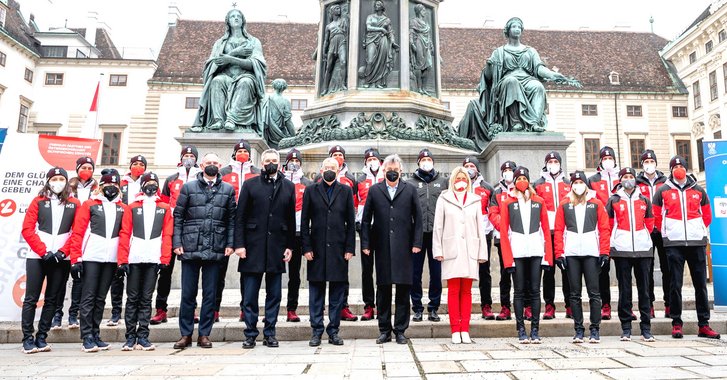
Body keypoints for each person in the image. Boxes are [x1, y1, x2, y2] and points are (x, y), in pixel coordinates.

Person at [172, 153, 236, 350]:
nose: (212, 166)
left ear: (221, 165)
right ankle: (185, 334)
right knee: (188, 294)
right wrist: (177, 242)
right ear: (202, 165)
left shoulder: (228, 189)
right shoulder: (188, 187)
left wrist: (230, 243)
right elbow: (178, 216)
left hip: (216, 246)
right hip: (190, 245)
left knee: (210, 294)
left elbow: (231, 220)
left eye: (215, 163)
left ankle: (205, 334)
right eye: (208, 163)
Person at [652, 156, 720, 339]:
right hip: (674, 243)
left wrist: (698, 230)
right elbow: (656, 215)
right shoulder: (663, 191)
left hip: (696, 242)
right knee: (675, 284)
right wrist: (666, 233)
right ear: (671, 170)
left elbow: (707, 214)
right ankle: (676, 323)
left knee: (700, 285)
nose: (678, 169)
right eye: (675, 166)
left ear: (686, 168)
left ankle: (704, 324)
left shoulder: (698, 190)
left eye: (681, 166)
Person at [235, 149, 296, 349]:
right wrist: (239, 244)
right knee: (250, 295)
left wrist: (289, 246)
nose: (271, 163)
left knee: (275, 294)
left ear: (280, 164)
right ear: (262, 163)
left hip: (277, 247)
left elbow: (290, 218)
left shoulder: (288, 186)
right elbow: (240, 217)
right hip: (252, 247)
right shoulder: (250, 184)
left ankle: (270, 332)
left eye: (274, 160)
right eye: (267, 160)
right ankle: (250, 333)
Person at [361, 154, 423, 345]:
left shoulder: (410, 190)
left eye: (395, 170)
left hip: (404, 247)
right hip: (382, 246)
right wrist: (365, 244)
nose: (392, 173)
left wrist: (417, 242)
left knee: (403, 290)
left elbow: (418, 219)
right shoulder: (374, 190)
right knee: (384, 289)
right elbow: (365, 220)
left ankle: (401, 330)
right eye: (389, 170)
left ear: (401, 171)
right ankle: (384, 330)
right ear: (384, 171)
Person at [480, 17, 580, 133]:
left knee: (538, 87)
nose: (517, 29)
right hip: (507, 81)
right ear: (508, 30)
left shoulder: (530, 51)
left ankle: (534, 123)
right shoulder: (499, 52)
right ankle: (516, 122)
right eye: (514, 27)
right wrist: (488, 66)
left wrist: (553, 75)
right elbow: (488, 77)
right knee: (512, 82)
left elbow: (539, 68)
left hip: (527, 79)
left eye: (519, 27)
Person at [21, 167, 80, 353]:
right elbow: (27, 229)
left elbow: (77, 232)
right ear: (48, 181)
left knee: (52, 299)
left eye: (61, 178)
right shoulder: (38, 201)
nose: (58, 182)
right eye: (54, 178)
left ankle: (41, 337)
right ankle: (27, 338)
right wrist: (43, 251)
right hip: (37, 257)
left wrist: (63, 252)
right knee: (31, 298)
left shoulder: (74, 203)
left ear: (66, 181)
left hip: (61, 259)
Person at [70, 169, 128, 353]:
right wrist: (76, 258)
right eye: (107, 184)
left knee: (101, 298)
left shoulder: (123, 207)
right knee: (88, 297)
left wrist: (121, 261)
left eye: (114, 184)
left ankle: (96, 333)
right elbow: (78, 232)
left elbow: (124, 235)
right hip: (91, 256)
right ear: (101, 186)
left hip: (110, 259)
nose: (111, 187)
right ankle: (86, 335)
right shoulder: (89, 204)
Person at [301, 157, 356, 346]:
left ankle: (334, 330)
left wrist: (350, 248)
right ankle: (316, 330)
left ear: (339, 169)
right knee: (316, 293)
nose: (329, 170)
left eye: (333, 167)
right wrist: (306, 247)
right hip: (316, 250)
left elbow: (351, 222)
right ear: (321, 169)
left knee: (336, 294)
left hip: (339, 250)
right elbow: (304, 221)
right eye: (326, 168)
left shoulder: (346, 191)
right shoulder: (310, 190)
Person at [117, 172, 173, 351]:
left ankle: (143, 335)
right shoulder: (132, 207)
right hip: (134, 258)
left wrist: (165, 258)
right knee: (132, 297)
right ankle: (129, 336)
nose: (151, 186)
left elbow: (167, 235)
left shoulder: (164, 207)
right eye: (147, 182)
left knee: (147, 298)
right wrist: (122, 259)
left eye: (154, 183)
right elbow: (125, 233)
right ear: (142, 185)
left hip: (153, 258)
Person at [432, 167, 488, 344]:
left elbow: (480, 227)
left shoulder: (475, 199)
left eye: (464, 178)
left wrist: (482, 252)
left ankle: (465, 329)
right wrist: (438, 249)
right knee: (454, 290)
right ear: (453, 180)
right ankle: (455, 329)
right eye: (458, 177)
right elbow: (438, 226)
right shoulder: (444, 198)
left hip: (470, 249)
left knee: (467, 291)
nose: (461, 180)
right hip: (451, 249)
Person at [554, 171, 610, 344]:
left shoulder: (596, 204)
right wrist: (559, 253)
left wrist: (604, 252)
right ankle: (578, 329)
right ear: (571, 185)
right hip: (571, 254)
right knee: (574, 294)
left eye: (581, 182)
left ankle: (595, 329)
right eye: (575, 182)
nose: (578, 185)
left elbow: (604, 229)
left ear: (586, 185)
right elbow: (558, 230)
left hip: (591, 253)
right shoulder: (564, 204)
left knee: (594, 293)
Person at [498, 166, 552, 344]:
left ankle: (535, 329)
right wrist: (508, 260)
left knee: (536, 291)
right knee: (519, 291)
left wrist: (547, 257)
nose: (521, 181)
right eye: (518, 178)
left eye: (524, 178)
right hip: (517, 252)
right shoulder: (508, 202)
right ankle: (521, 329)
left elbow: (545, 229)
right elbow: (504, 233)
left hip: (536, 251)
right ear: (514, 181)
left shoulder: (539, 201)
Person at [192, 8, 267, 133]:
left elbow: (255, 64)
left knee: (245, 83)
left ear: (243, 21)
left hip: (245, 76)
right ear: (228, 22)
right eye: (233, 16)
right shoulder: (220, 43)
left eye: (239, 16)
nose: (236, 18)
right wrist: (235, 53)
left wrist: (230, 59)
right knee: (216, 81)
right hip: (225, 75)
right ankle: (218, 120)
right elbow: (214, 65)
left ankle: (232, 119)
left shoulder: (253, 42)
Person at [151, 145, 202, 325]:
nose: (189, 158)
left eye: (192, 156)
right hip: (171, 229)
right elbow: (163, 204)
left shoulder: (201, 177)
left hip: (192, 229)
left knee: (191, 272)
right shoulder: (172, 179)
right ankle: (160, 309)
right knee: (165, 271)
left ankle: (191, 308)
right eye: (186, 155)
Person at [606, 167, 655, 342]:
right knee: (624, 290)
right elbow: (609, 225)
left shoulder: (644, 200)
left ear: (635, 179)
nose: (628, 179)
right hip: (622, 250)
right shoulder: (613, 200)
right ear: (620, 180)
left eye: (631, 176)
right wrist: (615, 243)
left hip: (642, 249)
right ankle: (626, 327)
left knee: (644, 290)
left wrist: (643, 238)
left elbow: (649, 223)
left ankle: (646, 328)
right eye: (625, 176)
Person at [52, 156, 97, 331]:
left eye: (90, 167)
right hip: (66, 237)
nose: (87, 170)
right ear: (77, 169)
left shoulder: (97, 188)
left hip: (85, 239)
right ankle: (57, 314)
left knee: (79, 280)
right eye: (84, 167)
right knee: (60, 280)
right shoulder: (67, 187)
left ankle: (73, 314)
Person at [219, 140, 260, 322]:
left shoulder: (257, 173)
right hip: (225, 222)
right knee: (219, 270)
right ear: (234, 153)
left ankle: (246, 307)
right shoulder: (224, 173)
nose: (242, 153)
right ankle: (214, 308)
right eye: (239, 150)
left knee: (247, 269)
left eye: (245, 150)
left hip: (249, 225)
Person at [107, 154, 148, 327]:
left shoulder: (147, 184)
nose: (138, 167)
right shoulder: (121, 184)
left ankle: (136, 310)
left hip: (139, 230)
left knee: (137, 274)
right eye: (135, 164)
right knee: (118, 274)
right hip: (119, 228)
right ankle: (116, 311)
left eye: (141, 164)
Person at [320, 145, 359, 321]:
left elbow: (353, 208)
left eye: (340, 155)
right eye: (334, 155)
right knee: (319, 279)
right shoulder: (317, 182)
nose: (337, 157)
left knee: (341, 277)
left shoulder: (350, 180)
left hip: (339, 237)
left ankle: (343, 306)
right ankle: (319, 309)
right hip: (322, 237)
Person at [408, 149, 446, 322]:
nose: (426, 161)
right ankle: (417, 307)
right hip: (416, 235)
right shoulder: (410, 183)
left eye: (429, 159)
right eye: (423, 159)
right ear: (418, 162)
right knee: (414, 273)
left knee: (436, 273)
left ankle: (433, 308)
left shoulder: (443, 182)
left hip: (437, 235)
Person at [533, 151, 571, 320]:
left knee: (567, 270)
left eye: (556, 161)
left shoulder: (568, 183)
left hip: (565, 234)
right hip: (547, 234)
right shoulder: (538, 184)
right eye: (550, 161)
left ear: (560, 164)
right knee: (548, 271)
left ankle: (570, 305)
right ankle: (549, 305)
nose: (553, 164)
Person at [488, 160, 526, 321]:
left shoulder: (522, 192)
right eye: (505, 170)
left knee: (524, 274)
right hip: (502, 239)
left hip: (521, 238)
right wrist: (505, 227)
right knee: (505, 274)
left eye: (511, 170)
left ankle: (527, 306)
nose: (508, 172)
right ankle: (505, 307)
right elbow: (492, 213)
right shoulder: (496, 192)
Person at [588, 146, 620, 320]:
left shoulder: (623, 178)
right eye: (605, 158)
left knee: (624, 270)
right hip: (601, 230)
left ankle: (626, 305)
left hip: (621, 228)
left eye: (610, 158)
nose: (608, 160)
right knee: (602, 270)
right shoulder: (592, 180)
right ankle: (605, 304)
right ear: (600, 161)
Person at [636, 149, 669, 318]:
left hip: (663, 230)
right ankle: (648, 305)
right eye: (646, 162)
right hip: (645, 231)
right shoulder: (636, 182)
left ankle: (669, 303)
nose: (649, 164)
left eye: (651, 162)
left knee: (667, 268)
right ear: (642, 164)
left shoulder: (665, 182)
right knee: (646, 270)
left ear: (656, 163)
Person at [462, 156, 495, 319]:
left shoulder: (487, 187)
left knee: (484, 272)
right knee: (462, 273)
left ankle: (486, 305)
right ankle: (463, 307)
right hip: (463, 236)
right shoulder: (459, 186)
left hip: (482, 236)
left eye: (472, 166)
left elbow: (492, 210)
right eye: (466, 166)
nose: (469, 168)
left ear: (477, 168)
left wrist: (488, 231)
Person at [283, 148, 313, 322]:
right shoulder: (280, 181)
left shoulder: (307, 183)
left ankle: (293, 308)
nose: (294, 164)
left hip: (303, 233)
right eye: (291, 161)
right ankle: (283, 308)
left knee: (297, 274)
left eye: (297, 162)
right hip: (285, 234)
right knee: (282, 273)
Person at [356, 148, 384, 321]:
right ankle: (369, 305)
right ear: (365, 162)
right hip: (365, 228)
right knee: (367, 270)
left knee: (382, 269)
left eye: (375, 158)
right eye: (369, 159)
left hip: (382, 228)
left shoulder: (385, 177)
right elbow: (353, 203)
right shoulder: (359, 180)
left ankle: (381, 305)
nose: (372, 161)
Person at [359, 0, 398, 88]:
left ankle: (378, 83)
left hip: (382, 39)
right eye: (376, 4)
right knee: (370, 60)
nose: (377, 5)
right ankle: (367, 80)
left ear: (382, 7)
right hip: (371, 39)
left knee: (381, 62)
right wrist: (381, 29)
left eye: (379, 4)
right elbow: (368, 28)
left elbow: (390, 32)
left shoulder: (386, 20)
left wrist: (392, 42)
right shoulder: (370, 17)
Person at [321, 3, 348, 95]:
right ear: (332, 11)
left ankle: (343, 84)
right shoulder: (329, 26)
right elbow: (326, 40)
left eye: (339, 8)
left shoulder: (343, 21)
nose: (339, 9)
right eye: (337, 8)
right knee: (329, 67)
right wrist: (324, 51)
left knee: (343, 62)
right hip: (332, 45)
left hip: (342, 43)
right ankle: (325, 88)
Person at [263, 79, 296, 149]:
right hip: (279, 134)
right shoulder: (285, 101)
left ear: (273, 86)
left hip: (267, 132)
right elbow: (288, 122)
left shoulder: (266, 99)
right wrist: (294, 136)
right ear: (284, 88)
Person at [409, 3, 433, 96]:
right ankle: (418, 87)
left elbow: (428, 35)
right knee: (419, 65)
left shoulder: (426, 23)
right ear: (419, 11)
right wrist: (411, 43)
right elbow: (411, 33)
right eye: (423, 10)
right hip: (418, 41)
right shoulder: (413, 21)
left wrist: (431, 44)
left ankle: (424, 87)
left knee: (429, 66)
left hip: (426, 43)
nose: (425, 12)